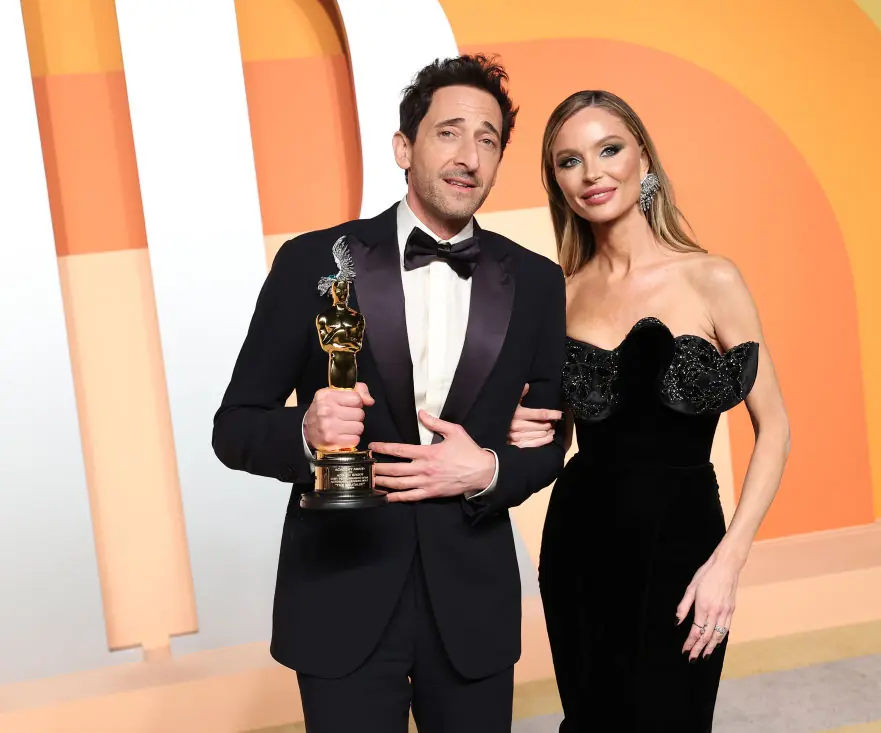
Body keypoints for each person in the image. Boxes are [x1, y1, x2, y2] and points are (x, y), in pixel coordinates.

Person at [212, 55, 567, 733]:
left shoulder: (538, 282)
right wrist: (306, 432)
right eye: (449, 133)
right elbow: (234, 427)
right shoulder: (312, 262)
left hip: (473, 606)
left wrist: (491, 469)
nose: (469, 156)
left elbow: (550, 440)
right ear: (404, 147)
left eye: (488, 140)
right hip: (340, 598)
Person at [507, 90, 791, 732]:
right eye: (569, 161)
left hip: (683, 541)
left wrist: (729, 559)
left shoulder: (712, 278)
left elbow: (774, 429)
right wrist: (517, 429)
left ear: (644, 160)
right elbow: (554, 438)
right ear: (557, 183)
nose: (593, 173)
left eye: (610, 149)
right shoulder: (560, 295)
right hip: (579, 540)